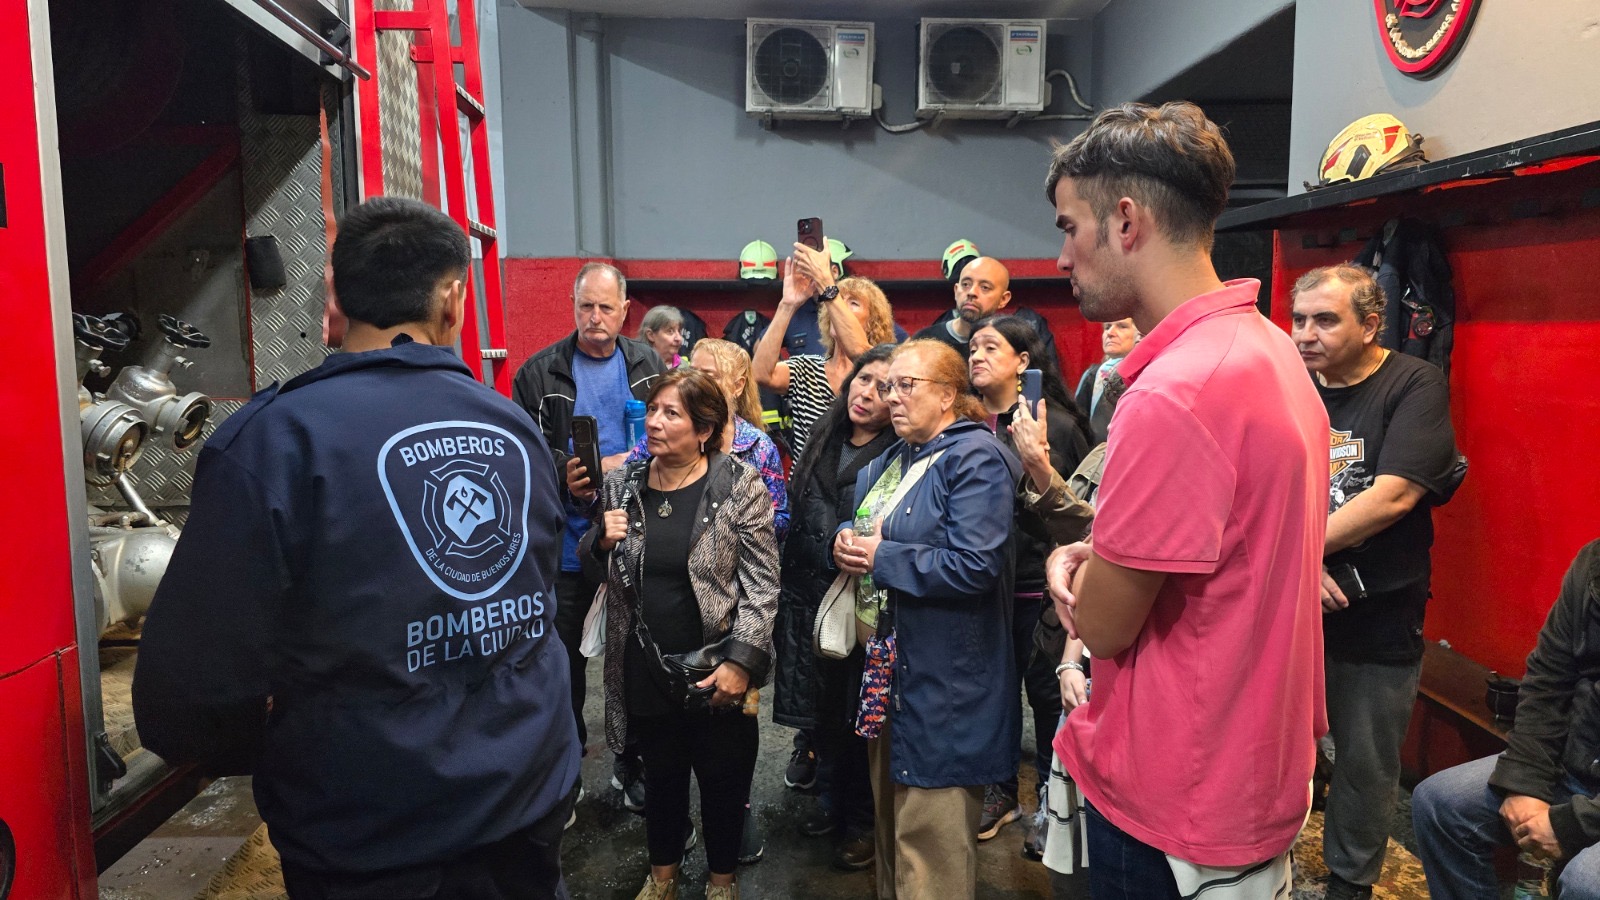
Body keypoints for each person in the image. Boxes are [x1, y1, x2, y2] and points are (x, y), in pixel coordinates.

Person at [133, 197, 580, 898]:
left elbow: (191, 688)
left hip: (367, 837)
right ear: (452, 299)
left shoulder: (273, 442)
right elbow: (536, 595)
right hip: (525, 802)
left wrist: (274, 746)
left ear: (336, 297)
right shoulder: (513, 427)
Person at [1044, 101, 1329, 899]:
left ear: (1125, 220)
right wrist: (1104, 549)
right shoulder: (1265, 347)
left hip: (1177, 788)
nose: (1062, 254)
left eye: (1072, 227)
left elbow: (1103, 626)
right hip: (1251, 768)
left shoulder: (1175, 391)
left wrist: (1073, 573)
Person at [1292, 263, 1460, 900]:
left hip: (1377, 608)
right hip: (1293, 599)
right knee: (1276, 744)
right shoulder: (1289, 383)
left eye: (1325, 320)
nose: (1306, 334)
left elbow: (1393, 496)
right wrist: (1299, 567)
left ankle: (1349, 884)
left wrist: (1293, 553)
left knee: (1365, 762)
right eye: (1300, 319)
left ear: (1370, 324)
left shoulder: (1412, 382)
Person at [579, 368, 780, 900]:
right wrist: (600, 541)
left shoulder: (740, 486)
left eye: (672, 414)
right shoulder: (625, 484)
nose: (656, 423)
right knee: (661, 782)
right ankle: (662, 878)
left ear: (705, 430)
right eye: (653, 411)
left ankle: (721, 883)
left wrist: (741, 664)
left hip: (717, 668)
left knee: (723, 785)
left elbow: (762, 588)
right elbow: (596, 570)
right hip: (645, 665)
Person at [834, 338, 1022, 899]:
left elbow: (975, 565)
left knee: (932, 851)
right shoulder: (898, 457)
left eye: (905, 386)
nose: (891, 397)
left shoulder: (974, 458)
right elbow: (868, 528)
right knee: (894, 833)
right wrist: (842, 544)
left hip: (945, 687)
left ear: (947, 396)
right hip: (892, 672)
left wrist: (880, 557)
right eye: (888, 385)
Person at [512, 261, 666, 814]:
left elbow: (676, 433)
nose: (595, 317)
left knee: (636, 667)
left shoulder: (649, 365)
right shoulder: (538, 373)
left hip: (637, 546)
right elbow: (522, 452)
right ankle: (566, 771)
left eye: (606, 307)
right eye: (585, 306)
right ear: (573, 306)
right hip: (567, 551)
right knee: (563, 671)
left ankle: (633, 767)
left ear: (626, 311)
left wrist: (640, 460)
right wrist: (565, 470)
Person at [1411, 539, 1600, 900]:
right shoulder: (1593, 562)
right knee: (1440, 805)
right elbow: (1548, 680)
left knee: (1586, 883)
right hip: (1576, 760)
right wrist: (1525, 783)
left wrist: (1571, 826)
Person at [966, 315, 1094, 844]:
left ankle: (1048, 799)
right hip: (981, 589)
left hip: (1040, 590)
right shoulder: (966, 423)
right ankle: (999, 794)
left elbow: (1074, 516)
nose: (976, 355)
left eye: (991, 346)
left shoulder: (1056, 424)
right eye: (971, 346)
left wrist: (1035, 459)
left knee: (1046, 699)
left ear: (1023, 361)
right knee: (990, 697)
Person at [772, 344, 899, 873]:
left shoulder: (900, 454)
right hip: (811, 599)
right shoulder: (825, 436)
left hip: (865, 605)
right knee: (821, 718)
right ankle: (832, 805)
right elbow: (802, 512)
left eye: (884, 387)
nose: (867, 394)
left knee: (859, 720)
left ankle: (862, 824)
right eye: (863, 381)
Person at [623, 338, 789, 543]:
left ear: (738, 386)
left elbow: (780, 522)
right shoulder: (665, 433)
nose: (696, 382)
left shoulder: (758, 447)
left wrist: (733, 523)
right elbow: (622, 496)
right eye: (692, 372)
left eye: (709, 376)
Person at [754, 245, 897, 460]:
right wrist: (788, 304)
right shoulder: (807, 368)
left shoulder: (885, 374)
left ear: (872, 324)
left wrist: (828, 287)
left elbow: (861, 353)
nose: (836, 307)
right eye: (837, 302)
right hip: (804, 489)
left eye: (853, 303)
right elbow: (760, 374)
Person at [920, 253, 1061, 368]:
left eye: (985, 287)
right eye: (966, 284)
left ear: (1003, 299)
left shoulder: (1020, 345)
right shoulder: (927, 341)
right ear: (956, 291)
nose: (972, 292)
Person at [1073, 318, 1138, 444]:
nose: (1110, 333)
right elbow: (1078, 425)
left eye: (1122, 326)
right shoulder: (1091, 375)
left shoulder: (1147, 374)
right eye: (1107, 327)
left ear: (1140, 333)